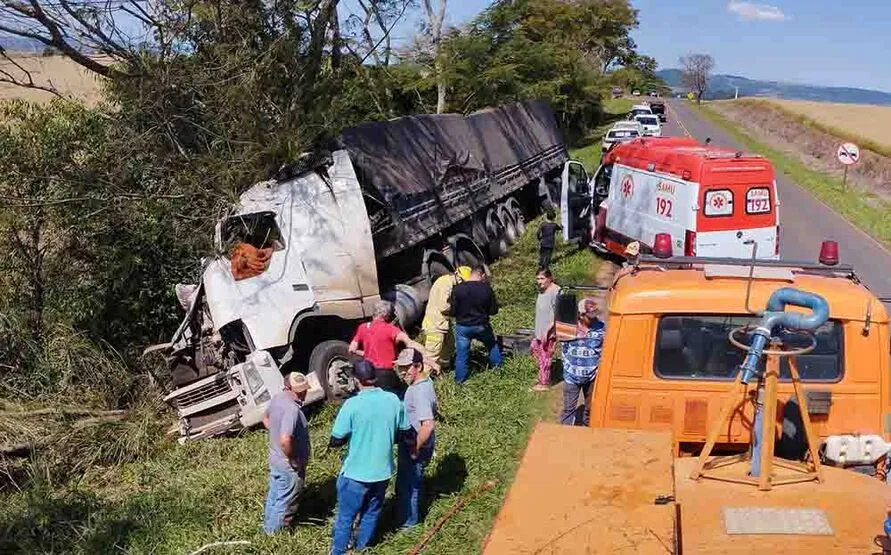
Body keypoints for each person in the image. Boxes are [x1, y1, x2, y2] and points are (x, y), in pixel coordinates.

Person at [329, 360, 411, 555]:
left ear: (356, 380)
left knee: (346, 517)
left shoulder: (352, 405)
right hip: (382, 471)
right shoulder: (393, 400)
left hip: (356, 472)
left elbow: (337, 439)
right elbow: (405, 432)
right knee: (371, 513)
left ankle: (339, 551)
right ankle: (362, 548)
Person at [349, 300, 435, 398]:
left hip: (370, 373)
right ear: (386, 315)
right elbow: (410, 343)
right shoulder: (390, 329)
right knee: (400, 397)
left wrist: (366, 353)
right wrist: (429, 359)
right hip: (387, 374)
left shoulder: (363, 327)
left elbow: (352, 349)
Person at [262, 372, 311, 535]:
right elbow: (285, 440)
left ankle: (267, 530)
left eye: (304, 389)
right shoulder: (292, 409)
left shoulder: (277, 398)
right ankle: (275, 539)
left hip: (275, 460)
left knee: (275, 497)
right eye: (299, 391)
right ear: (288, 388)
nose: (303, 393)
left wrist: (274, 432)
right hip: (288, 466)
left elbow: (265, 418)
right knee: (285, 502)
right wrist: (294, 459)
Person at [394, 348, 438, 528]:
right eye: (400, 368)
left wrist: (414, 448)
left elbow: (428, 424)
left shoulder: (418, 392)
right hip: (418, 441)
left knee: (409, 485)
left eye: (407, 368)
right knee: (409, 481)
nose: (403, 372)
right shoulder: (424, 384)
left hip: (415, 442)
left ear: (418, 366)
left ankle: (409, 524)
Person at [450, 266, 502, 384]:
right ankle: (499, 371)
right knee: (492, 345)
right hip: (481, 326)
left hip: (463, 327)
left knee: (462, 355)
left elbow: (453, 312)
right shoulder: (487, 289)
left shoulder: (458, 289)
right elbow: (493, 311)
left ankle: (460, 381)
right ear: (482, 275)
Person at [559, 298, 606, 426]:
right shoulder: (568, 327)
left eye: (595, 315)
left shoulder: (602, 328)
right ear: (580, 315)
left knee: (590, 410)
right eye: (589, 316)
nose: (593, 318)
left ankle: (587, 436)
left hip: (592, 377)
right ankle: (563, 437)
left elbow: (605, 350)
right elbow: (562, 347)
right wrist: (567, 366)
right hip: (571, 377)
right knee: (568, 410)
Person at [421, 266, 471, 374]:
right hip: (435, 325)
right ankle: (424, 380)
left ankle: (443, 371)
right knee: (432, 355)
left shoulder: (449, 283)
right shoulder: (445, 285)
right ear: (457, 276)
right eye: (462, 281)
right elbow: (443, 307)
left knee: (448, 348)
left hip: (443, 324)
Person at [530, 269, 561, 392]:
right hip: (540, 329)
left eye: (542, 278)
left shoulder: (556, 291)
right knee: (536, 350)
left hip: (549, 332)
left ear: (550, 278)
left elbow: (559, 312)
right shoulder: (543, 290)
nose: (539, 281)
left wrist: (549, 329)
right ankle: (543, 377)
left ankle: (544, 383)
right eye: (537, 279)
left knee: (545, 357)